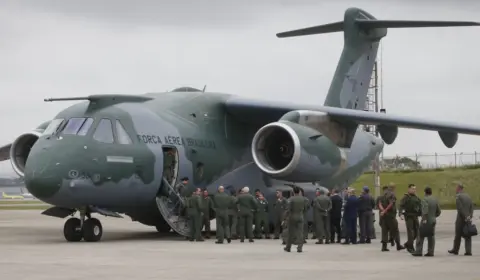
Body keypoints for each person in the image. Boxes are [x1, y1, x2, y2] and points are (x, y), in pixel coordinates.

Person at [411, 186, 441, 257]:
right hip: (433, 220)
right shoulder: (435, 199)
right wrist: (433, 216)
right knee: (431, 236)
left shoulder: (424, 200)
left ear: (425, 192)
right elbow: (438, 211)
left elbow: (425, 210)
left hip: (426, 220)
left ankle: (418, 251)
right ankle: (431, 252)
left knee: (420, 235)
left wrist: (424, 219)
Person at [448, 183, 474, 256]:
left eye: (456, 188)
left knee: (458, 235)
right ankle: (468, 251)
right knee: (468, 235)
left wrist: (465, 217)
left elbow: (460, 209)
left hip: (461, 218)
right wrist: (469, 216)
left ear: (459, 188)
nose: (455, 189)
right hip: (468, 218)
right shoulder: (468, 196)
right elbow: (472, 207)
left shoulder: (458, 197)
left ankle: (455, 249)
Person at [399, 184, 422, 252]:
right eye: (412, 189)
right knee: (410, 233)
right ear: (409, 189)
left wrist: (421, 213)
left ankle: (408, 244)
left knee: (417, 232)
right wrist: (401, 213)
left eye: (415, 189)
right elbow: (401, 206)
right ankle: (410, 247)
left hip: (415, 216)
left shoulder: (416, 197)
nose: (414, 190)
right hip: (409, 216)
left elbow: (420, 205)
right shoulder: (406, 197)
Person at [284, 187, 306, 253]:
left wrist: (285, 217)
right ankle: (300, 248)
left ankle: (288, 247)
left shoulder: (291, 199)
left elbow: (288, 209)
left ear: (293, 191)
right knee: (300, 233)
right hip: (300, 216)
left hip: (292, 216)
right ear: (299, 192)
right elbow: (305, 208)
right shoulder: (303, 199)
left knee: (291, 232)